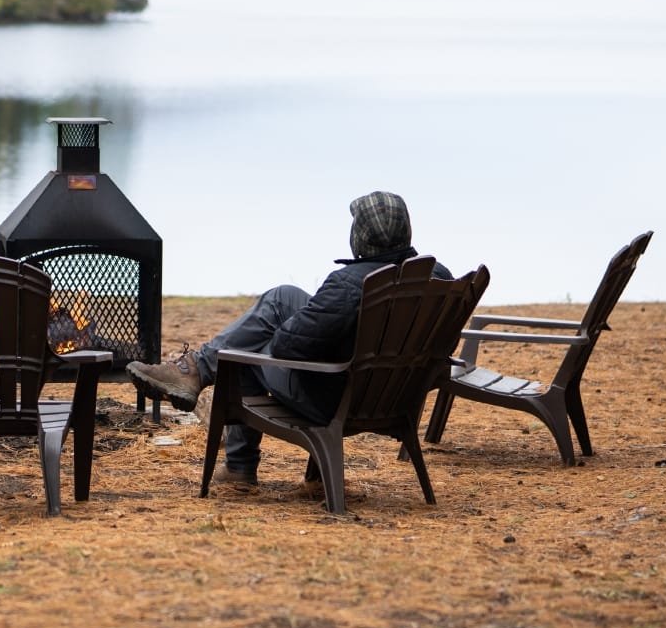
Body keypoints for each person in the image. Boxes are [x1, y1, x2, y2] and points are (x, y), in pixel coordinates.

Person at [127, 191, 451, 487]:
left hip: (331, 398)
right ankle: (196, 371)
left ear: (361, 236)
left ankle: (227, 439)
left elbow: (286, 347)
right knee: (284, 297)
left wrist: (287, 328)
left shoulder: (349, 284)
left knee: (245, 347)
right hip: (394, 394)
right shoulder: (438, 277)